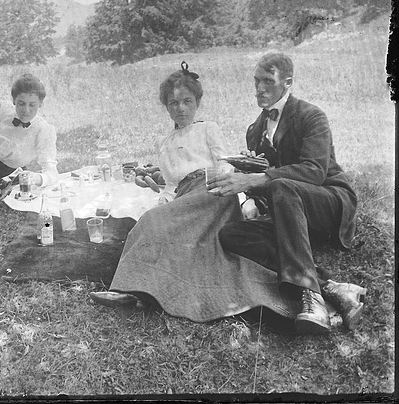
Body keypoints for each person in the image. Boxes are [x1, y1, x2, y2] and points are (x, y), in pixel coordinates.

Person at [90, 62, 299, 321]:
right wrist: (163, 202)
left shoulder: (207, 128)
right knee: (154, 219)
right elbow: (170, 185)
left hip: (213, 190)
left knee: (153, 222)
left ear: (197, 102)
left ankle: (129, 289)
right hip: (185, 196)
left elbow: (225, 164)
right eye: (173, 104)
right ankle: (136, 290)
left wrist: (243, 199)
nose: (181, 108)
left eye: (187, 101)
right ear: (166, 107)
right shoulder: (165, 143)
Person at [212, 53, 366, 333]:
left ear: (287, 83)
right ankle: (331, 287)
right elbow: (270, 187)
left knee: (281, 186)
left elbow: (314, 171)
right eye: (257, 81)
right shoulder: (255, 129)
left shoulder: (311, 115)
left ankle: (314, 301)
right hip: (292, 217)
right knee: (231, 234)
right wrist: (249, 180)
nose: (260, 88)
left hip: (329, 204)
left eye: (268, 81)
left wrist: (257, 178)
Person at [0, 73, 59, 188]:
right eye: (21, 103)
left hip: (12, 178)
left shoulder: (43, 130)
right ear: (14, 100)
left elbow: (52, 172)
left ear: (40, 104)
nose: (26, 110)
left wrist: (35, 178)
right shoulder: (3, 112)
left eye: (32, 105)